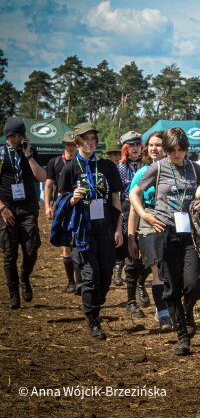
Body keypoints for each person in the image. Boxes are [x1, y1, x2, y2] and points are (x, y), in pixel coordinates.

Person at [129, 127, 200, 356]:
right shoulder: (157, 168)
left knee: (193, 284)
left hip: (189, 232)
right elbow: (134, 193)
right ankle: (182, 336)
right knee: (172, 284)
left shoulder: (194, 168)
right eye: (172, 150)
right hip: (164, 230)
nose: (176, 154)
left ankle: (188, 309)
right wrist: (145, 215)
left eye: (180, 150)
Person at [56, 122, 124, 339]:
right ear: (77, 142)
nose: (89, 143)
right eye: (85, 139)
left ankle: (96, 303)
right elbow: (60, 200)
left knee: (105, 276)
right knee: (90, 275)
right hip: (82, 227)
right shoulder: (70, 168)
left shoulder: (107, 166)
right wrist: (72, 199)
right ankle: (93, 320)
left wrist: (118, 228)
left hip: (105, 225)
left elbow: (115, 198)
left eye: (92, 139)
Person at [1, 117, 47, 309]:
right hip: (6, 208)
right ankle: (13, 293)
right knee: (9, 254)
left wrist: (28, 156)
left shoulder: (30, 152)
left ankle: (24, 277)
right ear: (6, 136)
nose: (15, 139)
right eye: (12, 136)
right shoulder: (1, 154)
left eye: (18, 136)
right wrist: (2, 207)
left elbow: (42, 177)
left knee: (31, 247)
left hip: (28, 207)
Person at [127, 131, 171, 331]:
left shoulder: (173, 170)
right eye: (151, 144)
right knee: (157, 269)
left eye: (159, 145)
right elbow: (134, 208)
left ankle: (165, 305)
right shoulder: (141, 172)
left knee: (170, 270)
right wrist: (131, 237)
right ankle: (163, 315)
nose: (154, 148)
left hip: (170, 220)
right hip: (148, 219)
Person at [116, 131, 148, 316]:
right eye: (131, 145)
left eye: (138, 144)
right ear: (125, 148)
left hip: (146, 212)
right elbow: (117, 196)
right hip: (126, 213)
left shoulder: (148, 166)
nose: (135, 147)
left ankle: (141, 283)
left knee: (149, 258)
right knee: (131, 259)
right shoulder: (118, 168)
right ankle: (130, 301)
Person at [44, 131, 79, 294]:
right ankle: (71, 282)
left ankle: (80, 280)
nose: (71, 147)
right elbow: (49, 185)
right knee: (65, 243)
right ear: (63, 145)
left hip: (80, 204)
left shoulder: (82, 162)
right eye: (68, 144)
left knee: (79, 241)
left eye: (73, 144)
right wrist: (47, 206)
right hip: (62, 205)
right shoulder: (54, 162)